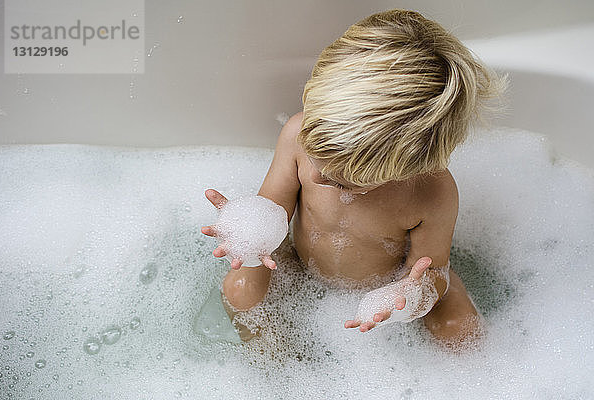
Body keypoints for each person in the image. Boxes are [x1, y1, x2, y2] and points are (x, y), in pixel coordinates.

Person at [201, 8, 507, 348]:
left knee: (460, 329)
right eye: (316, 158)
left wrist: (412, 295)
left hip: (390, 284)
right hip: (298, 264)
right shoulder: (296, 135)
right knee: (239, 291)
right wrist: (248, 232)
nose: (317, 176)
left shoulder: (431, 192)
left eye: (344, 181)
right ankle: (278, 368)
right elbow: (271, 208)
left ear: (405, 169)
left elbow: (433, 270)